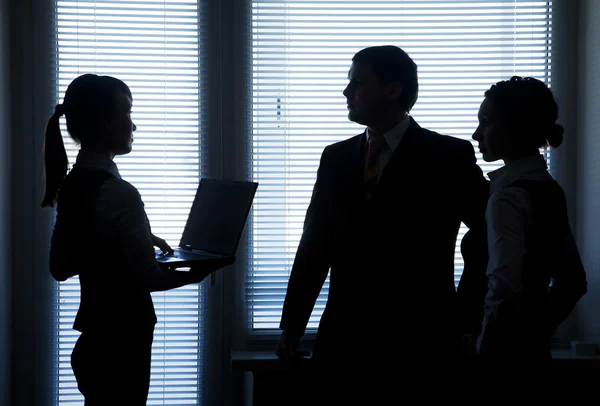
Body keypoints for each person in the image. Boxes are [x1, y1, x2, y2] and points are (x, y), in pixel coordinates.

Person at [275, 45, 490, 390]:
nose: (346, 91)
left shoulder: (447, 155)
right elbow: (314, 245)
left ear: (393, 89)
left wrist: (469, 313)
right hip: (344, 338)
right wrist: (293, 324)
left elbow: (488, 234)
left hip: (421, 337)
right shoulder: (335, 157)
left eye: (357, 82)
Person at [42, 73, 233, 405]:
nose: (134, 126)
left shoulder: (74, 185)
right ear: (106, 124)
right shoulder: (120, 193)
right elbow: (148, 277)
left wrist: (130, 242)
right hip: (122, 347)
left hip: (92, 345)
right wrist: (195, 274)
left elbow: (60, 266)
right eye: (127, 114)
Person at [472, 76, 587, 369]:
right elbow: (573, 281)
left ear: (516, 128)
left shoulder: (508, 198)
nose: (476, 134)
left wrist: (485, 346)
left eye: (486, 122)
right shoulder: (548, 188)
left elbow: (504, 287)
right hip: (533, 356)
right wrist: (533, 334)